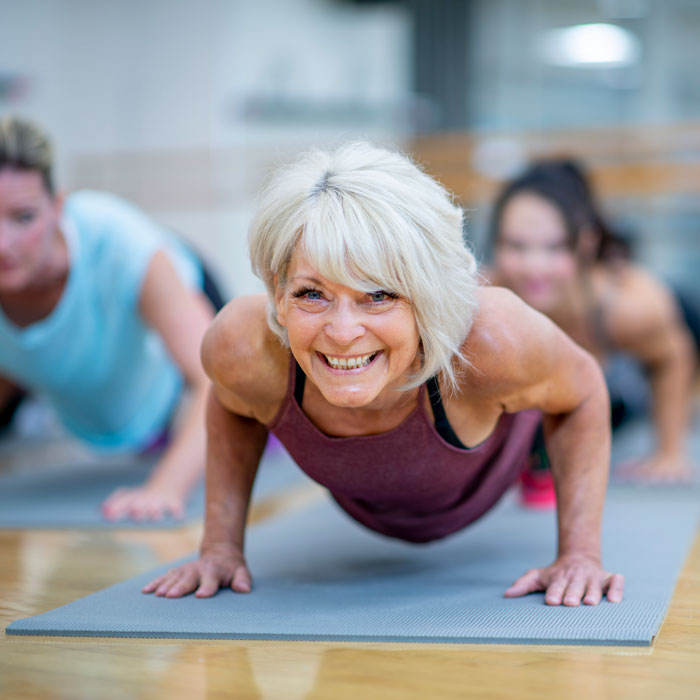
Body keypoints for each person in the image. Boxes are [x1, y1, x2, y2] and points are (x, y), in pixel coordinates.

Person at [143, 142, 623, 606]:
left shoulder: (495, 340)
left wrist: (580, 555)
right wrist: (220, 548)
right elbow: (230, 404)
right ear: (278, 290)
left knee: (520, 362)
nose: (343, 332)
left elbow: (583, 392)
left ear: (427, 295)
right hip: (370, 499)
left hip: (491, 453)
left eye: (378, 295)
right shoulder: (242, 345)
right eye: (312, 294)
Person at [0, 116, 224, 520]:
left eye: (23, 218)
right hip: (87, 384)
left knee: (242, 386)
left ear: (57, 208)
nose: (3, 244)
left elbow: (214, 379)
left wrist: (164, 489)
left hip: (178, 317)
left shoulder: (121, 243)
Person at [488, 159, 697, 483]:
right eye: (516, 246)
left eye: (554, 247)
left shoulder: (628, 307)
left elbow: (674, 356)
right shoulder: (484, 295)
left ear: (584, 244)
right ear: (497, 243)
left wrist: (668, 452)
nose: (533, 267)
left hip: (668, 329)